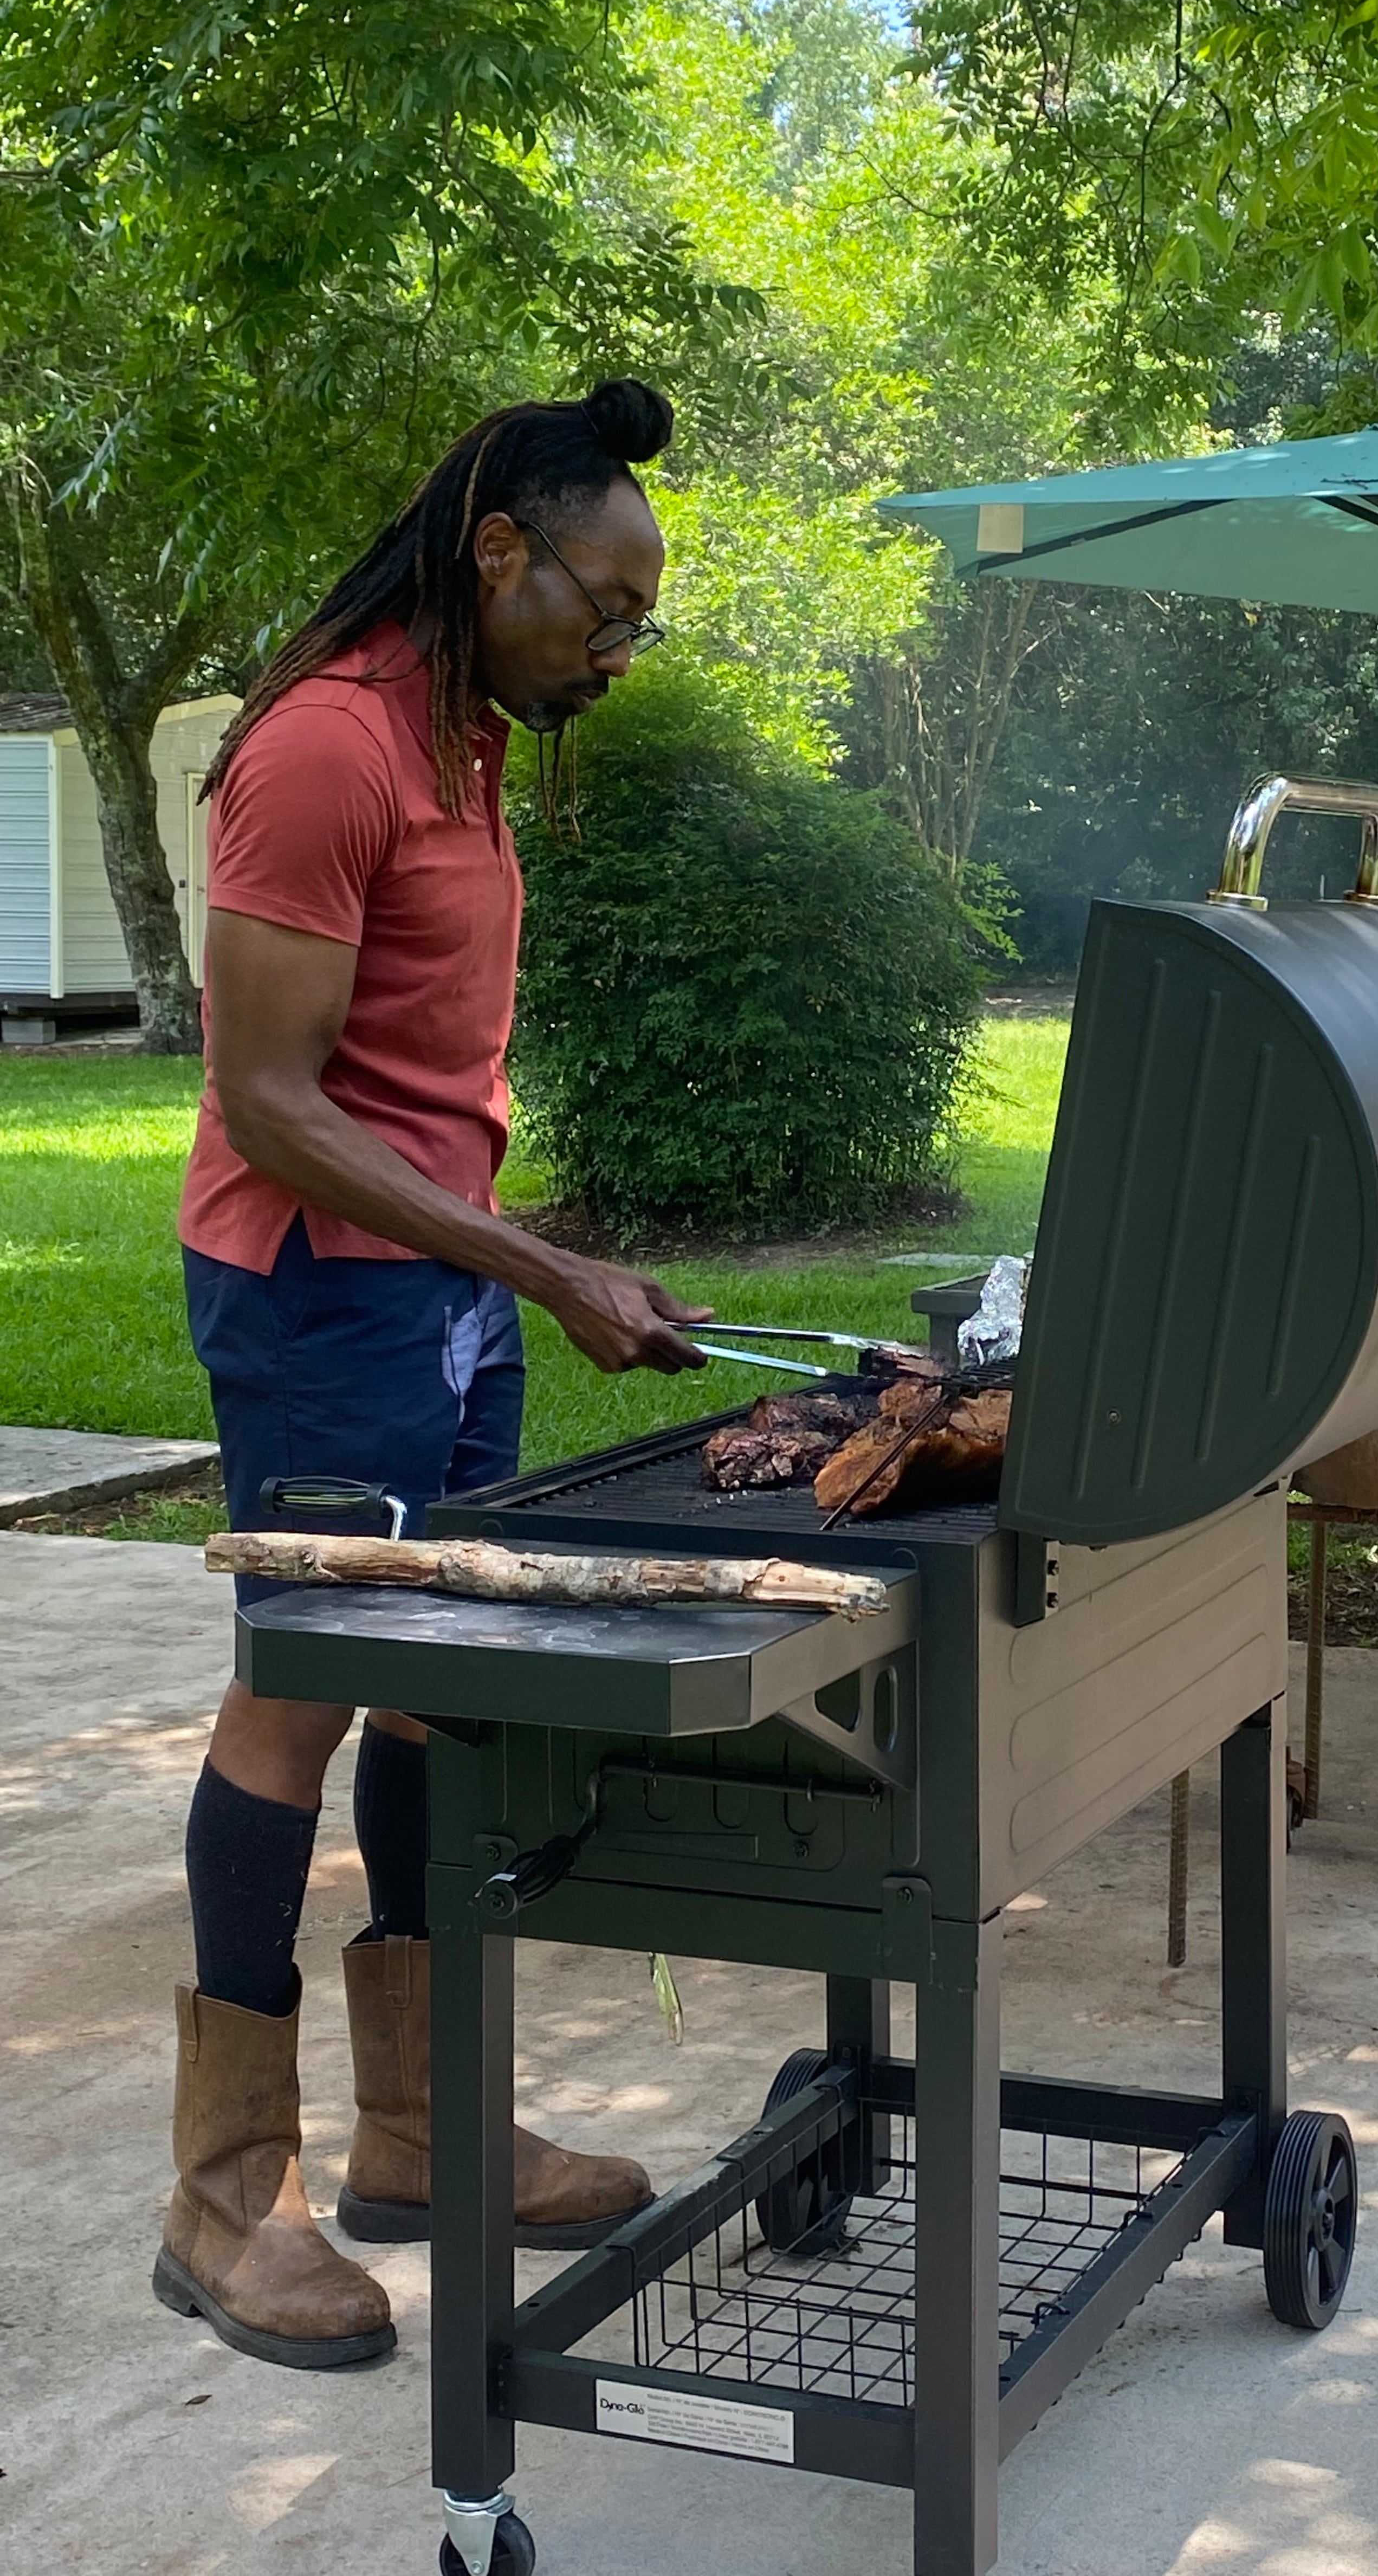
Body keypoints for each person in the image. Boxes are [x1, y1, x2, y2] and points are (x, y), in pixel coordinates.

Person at [156, 379, 714, 2372]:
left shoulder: (470, 740)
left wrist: (515, 1265)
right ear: (501, 553)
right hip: (328, 1299)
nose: (621, 644)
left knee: (434, 1688)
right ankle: (228, 2200)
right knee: (294, 1702)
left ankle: (415, 2127)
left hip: (445, 1297)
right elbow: (272, 1100)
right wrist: (541, 1264)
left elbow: (415, 1068)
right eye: (609, 602)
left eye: (644, 615)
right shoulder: (324, 749)